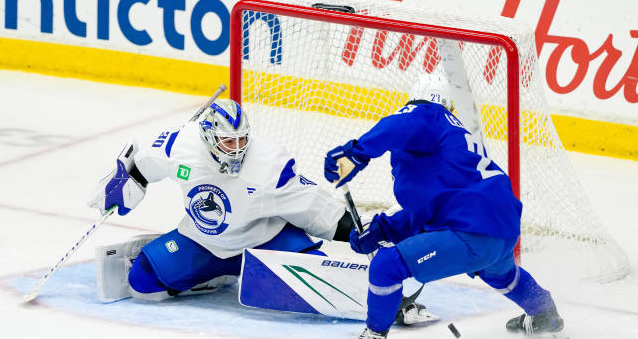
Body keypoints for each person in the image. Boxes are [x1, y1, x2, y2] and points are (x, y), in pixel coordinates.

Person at [86, 97, 432, 326]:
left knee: (316, 279)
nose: (237, 148)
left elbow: (311, 205)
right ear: (208, 138)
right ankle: (216, 275)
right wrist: (120, 186)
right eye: (228, 141)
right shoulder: (179, 147)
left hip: (267, 240)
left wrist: (357, 233)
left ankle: (387, 299)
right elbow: (140, 164)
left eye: (242, 140)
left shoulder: (268, 164)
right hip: (204, 241)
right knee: (143, 288)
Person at [324, 74, 568, 339]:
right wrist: (384, 228)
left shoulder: (428, 115)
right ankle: (545, 315)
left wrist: (356, 153)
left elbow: (405, 121)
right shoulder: (453, 138)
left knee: (386, 266)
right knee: (501, 275)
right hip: (501, 228)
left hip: (472, 230)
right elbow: (434, 207)